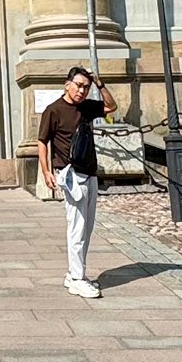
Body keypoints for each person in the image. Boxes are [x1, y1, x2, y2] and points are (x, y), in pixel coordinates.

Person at [38, 66, 117, 298]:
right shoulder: (53, 110)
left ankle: (75, 272)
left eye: (86, 87)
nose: (82, 91)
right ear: (67, 84)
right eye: (78, 85)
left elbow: (111, 107)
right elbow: (42, 141)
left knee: (87, 226)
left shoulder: (87, 107)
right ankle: (77, 278)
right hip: (70, 174)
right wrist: (46, 172)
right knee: (77, 226)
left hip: (90, 172)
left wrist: (100, 83)